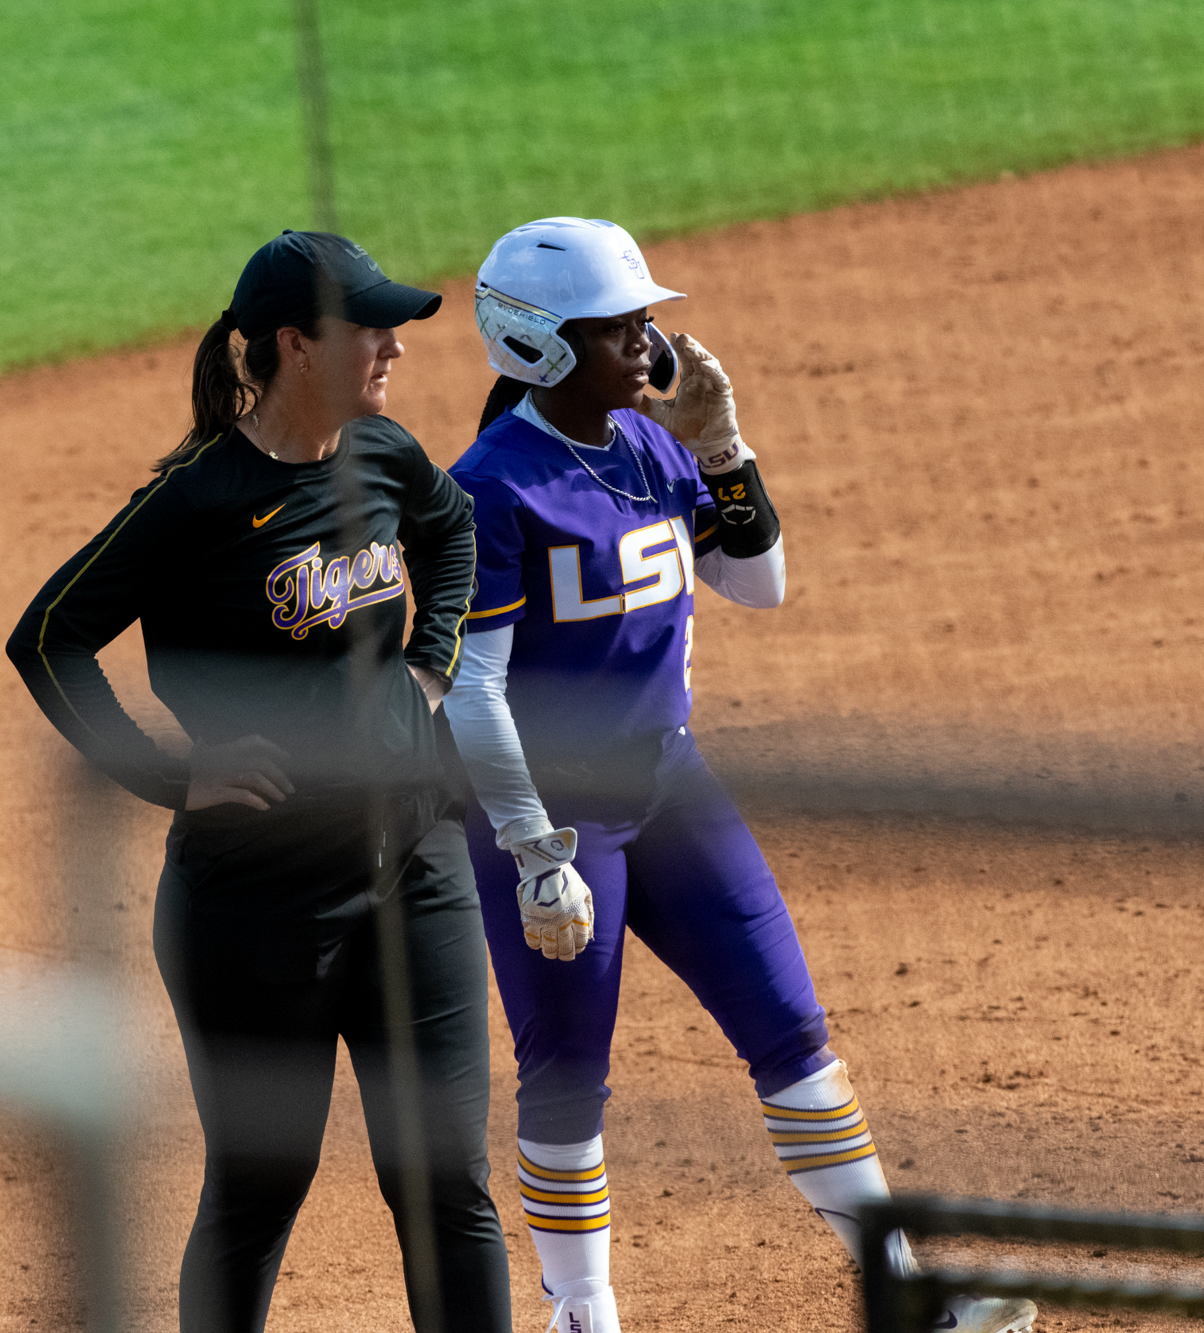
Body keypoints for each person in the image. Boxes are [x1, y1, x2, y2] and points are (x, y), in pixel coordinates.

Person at [441, 217, 1039, 1333]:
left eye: (644, 322)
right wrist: (529, 848)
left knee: (792, 1034)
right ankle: (583, 1314)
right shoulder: (487, 487)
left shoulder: (650, 446)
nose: (649, 344)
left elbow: (755, 585)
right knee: (567, 1075)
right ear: (540, 346)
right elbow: (471, 693)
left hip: (671, 790)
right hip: (554, 823)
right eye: (621, 328)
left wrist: (720, 447)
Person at [6, 230, 509, 1333]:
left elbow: (451, 527)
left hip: (417, 869)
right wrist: (167, 776)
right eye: (367, 326)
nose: (392, 346)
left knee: (444, 1184)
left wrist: (431, 670)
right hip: (258, 906)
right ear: (294, 343)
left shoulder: (381, 453)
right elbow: (47, 636)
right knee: (257, 1189)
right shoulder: (195, 500)